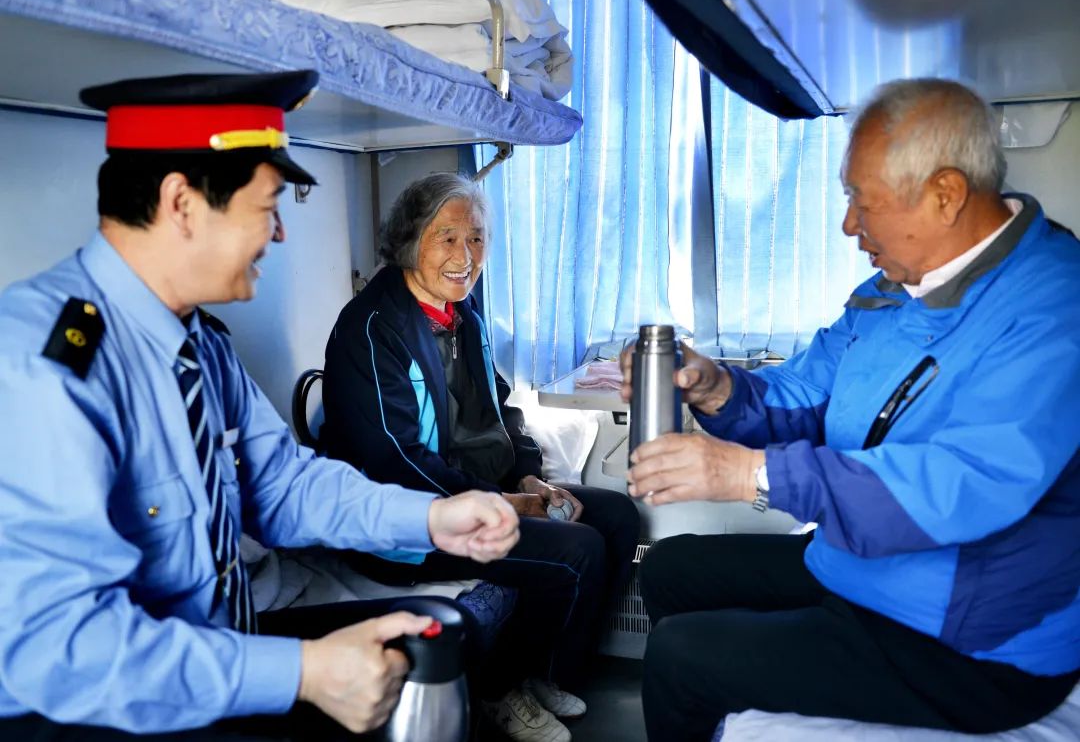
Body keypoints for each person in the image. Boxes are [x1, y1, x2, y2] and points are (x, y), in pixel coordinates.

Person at [0, 70, 521, 741]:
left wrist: (430, 518)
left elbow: (281, 483)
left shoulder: (198, 344)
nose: (278, 234)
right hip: (97, 706)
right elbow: (64, 651)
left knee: (428, 641)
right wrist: (301, 673)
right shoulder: (42, 366)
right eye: (267, 206)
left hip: (212, 650)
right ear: (182, 203)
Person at [620, 77, 1080, 741]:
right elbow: (805, 395)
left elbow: (958, 485)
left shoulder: (1053, 309)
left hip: (972, 640)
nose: (849, 225)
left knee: (681, 655)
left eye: (863, 202)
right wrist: (718, 387)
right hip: (870, 572)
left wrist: (747, 474)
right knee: (670, 569)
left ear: (945, 194)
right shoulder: (890, 294)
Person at [321, 172, 640, 742]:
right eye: (447, 238)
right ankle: (497, 689)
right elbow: (395, 459)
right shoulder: (372, 330)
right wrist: (503, 505)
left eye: (476, 239)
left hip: (482, 489)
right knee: (578, 549)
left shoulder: (461, 316)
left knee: (616, 515)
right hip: (413, 519)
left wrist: (530, 480)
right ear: (409, 240)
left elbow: (502, 407)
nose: (465, 256)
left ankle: (544, 675)